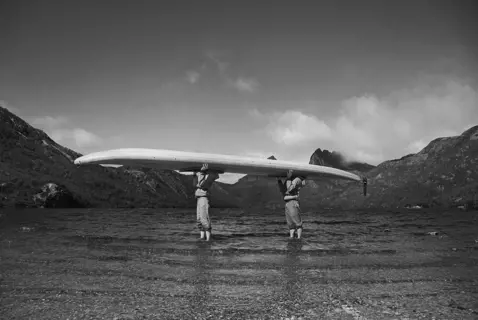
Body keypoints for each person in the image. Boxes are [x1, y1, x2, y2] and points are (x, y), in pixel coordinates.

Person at [192, 163, 220, 241]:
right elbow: (196, 183)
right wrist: (194, 175)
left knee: (204, 218)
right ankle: (202, 237)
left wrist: (202, 172)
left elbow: (201, 181)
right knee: (199, 218)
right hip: (199, 199)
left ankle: (208, 239)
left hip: (203, 199)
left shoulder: (204, 184)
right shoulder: (199, 183)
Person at [277, 170, 307, 239]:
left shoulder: (294, 183)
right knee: (290, 224)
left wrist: (288, 178)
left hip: (293, 202)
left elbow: (288, 189)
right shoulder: (288, 185)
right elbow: (283, 189)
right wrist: (279, 180)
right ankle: (291, 237)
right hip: (287, 204)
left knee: (298, 223)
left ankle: (299, 238)